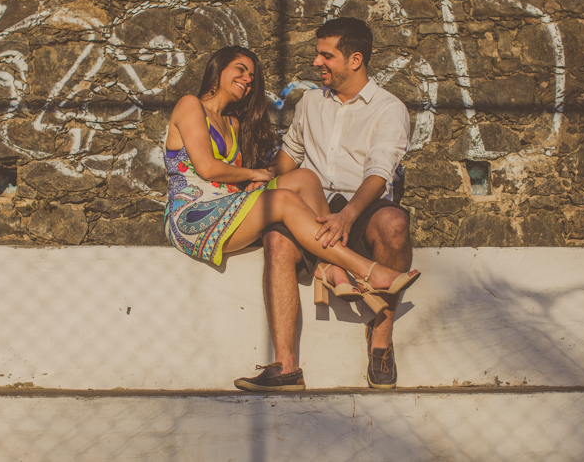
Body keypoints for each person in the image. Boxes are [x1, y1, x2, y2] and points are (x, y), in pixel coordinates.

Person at [163, 45, 419, 390]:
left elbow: (253, 175)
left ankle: (331, 267)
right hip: (194, 215)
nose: (247, 79)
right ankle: (364, 269)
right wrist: (257, 174)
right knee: (283, 199)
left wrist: (259, 178)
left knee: (305, 178)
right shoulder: (190, 105)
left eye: (252, 75)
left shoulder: (233, 122)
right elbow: (208, 168)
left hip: (227, 205)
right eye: (240, 69)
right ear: (218, 69)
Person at [234, 18, 414, 391]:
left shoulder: (389, 108)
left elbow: (379, 173)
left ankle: (381, 339)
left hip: (361, 207)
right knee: (276, 240)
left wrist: (347, 216)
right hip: (311, 207)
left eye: (326, 56)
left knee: (394, 223)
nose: (317, 62)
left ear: (355, 60)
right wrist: (261, 178)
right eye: (318, 54)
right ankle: (286, 368)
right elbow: (290, 155)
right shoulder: (310, 102)